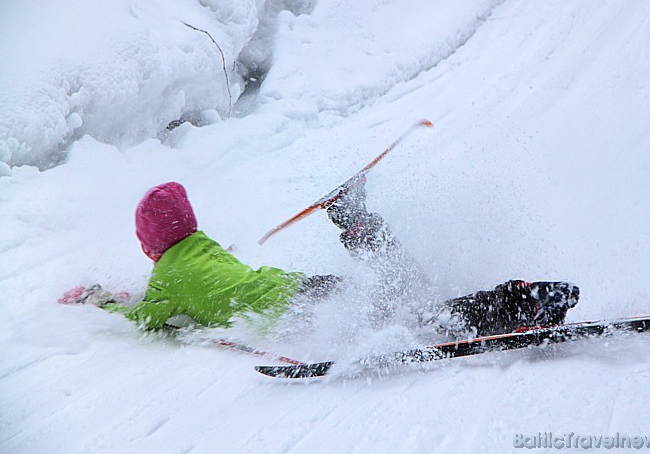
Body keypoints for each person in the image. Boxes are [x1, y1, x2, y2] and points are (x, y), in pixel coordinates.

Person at [61, 181, 579, 339]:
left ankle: (518, 306)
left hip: (297, 315)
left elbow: (143, 319)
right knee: (403, 294)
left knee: (417, 321)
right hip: (309, 287)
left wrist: (99, 300)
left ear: (148, 245)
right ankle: (357, 220)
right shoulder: (203, 246)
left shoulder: (167, 279)